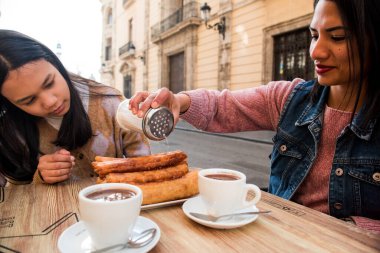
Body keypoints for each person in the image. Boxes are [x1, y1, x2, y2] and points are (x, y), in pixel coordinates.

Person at [129, 0, 380, 233]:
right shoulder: (288, 97)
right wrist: (179, 101)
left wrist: (348, 229)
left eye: (337, 37)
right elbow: (221, 105)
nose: (316, 51)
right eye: (314, 35)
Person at [0, 30, 150, 185]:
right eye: (29, 100)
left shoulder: (111, 102)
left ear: (56, 64)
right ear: (9, 104)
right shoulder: (9, 132)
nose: (50, 101)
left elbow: (146, 166)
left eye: (49, 83)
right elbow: (13, 199)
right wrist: (39, 177)